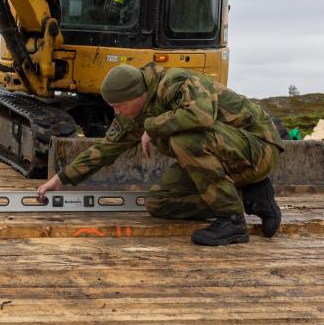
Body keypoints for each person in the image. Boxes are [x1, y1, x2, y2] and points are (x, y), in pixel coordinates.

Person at [36, 63, 284, 246]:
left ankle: (232, 220)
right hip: (226, 156)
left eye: (119, 105)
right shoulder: (132, 113)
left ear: (138, 95)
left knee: (184, 138)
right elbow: (104, 150)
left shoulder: (175, 82)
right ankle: (250, 196)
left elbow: (202, 116)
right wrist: (60, 179)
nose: (117, 112)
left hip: (258, 149)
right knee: (159, 203)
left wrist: (152, 127)